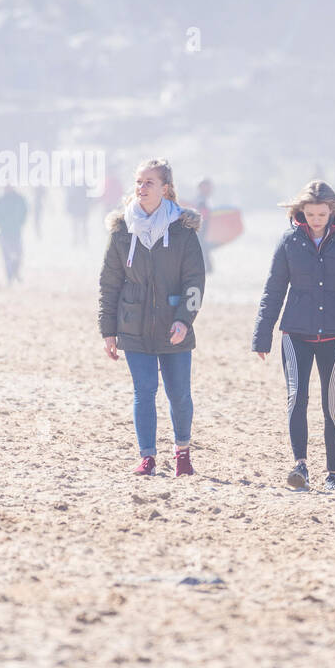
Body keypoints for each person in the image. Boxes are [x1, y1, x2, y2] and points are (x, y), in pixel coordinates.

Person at [252, 181, 335, 493]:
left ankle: (334, 474)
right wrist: (262, 336)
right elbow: (273, 289)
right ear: (301, 212)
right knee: (296, 397)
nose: (316, 219)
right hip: (294, 333)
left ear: (334, 211)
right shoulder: (289, 241)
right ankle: (300, 465)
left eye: (321, 213)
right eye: (309, 214)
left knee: (333, 405)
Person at [98, 158, 206, 477]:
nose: (141, 188)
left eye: (149, 183)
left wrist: (184, 320)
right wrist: (108, 331)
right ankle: (147, 457)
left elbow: (195, 281)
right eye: (139, 182)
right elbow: (109, 283)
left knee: (179, 394)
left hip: (174, 328)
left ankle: (182, 454)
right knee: (144, 391)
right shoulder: (121, 230)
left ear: (165, 188)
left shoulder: (183, 231)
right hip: (133, 327)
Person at [0, 180, 29, 283]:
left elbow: (25, 210)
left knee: (18, 254)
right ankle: (9, 277)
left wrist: (21, 222)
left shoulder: (19, 199)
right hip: (4, 232)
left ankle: (15, 271)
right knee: (6, 256)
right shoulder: (0, 200)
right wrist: (0, 223)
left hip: (16, 232)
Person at [193, 178, 216, 273]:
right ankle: (207, 267)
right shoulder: (201, 199)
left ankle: (208, 267)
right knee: (201, 246)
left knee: (202, 246)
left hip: (202, 226)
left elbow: (205, 213)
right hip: (200, 225)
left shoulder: (204, 199)